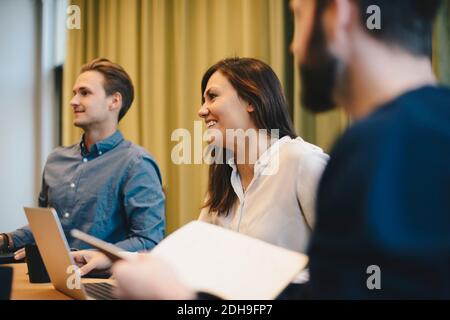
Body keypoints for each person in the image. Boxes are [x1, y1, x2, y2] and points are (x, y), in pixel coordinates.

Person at [108, 0, 450, 300]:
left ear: (338, 13)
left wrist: (180, 300)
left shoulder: (339, 156)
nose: (294, 46)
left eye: (298, 18)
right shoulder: (225, 178)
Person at [71, 57, 329, 277]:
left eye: (212, 97)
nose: (201, 111)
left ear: (252, 100)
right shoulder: (225, 176)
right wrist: (113, 258)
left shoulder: (301, 161)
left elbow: (351, 260)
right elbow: (190, 255)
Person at [0, 58, 166, 260]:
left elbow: (148, 241)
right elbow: (46, 229)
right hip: (47, 277)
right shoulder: (56, 159)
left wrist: (81, 255)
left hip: (102, 283)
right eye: (74, 93)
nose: (73, 101)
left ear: (114, 101)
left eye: (84, 93)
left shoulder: (137, 163)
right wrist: (8, 239)